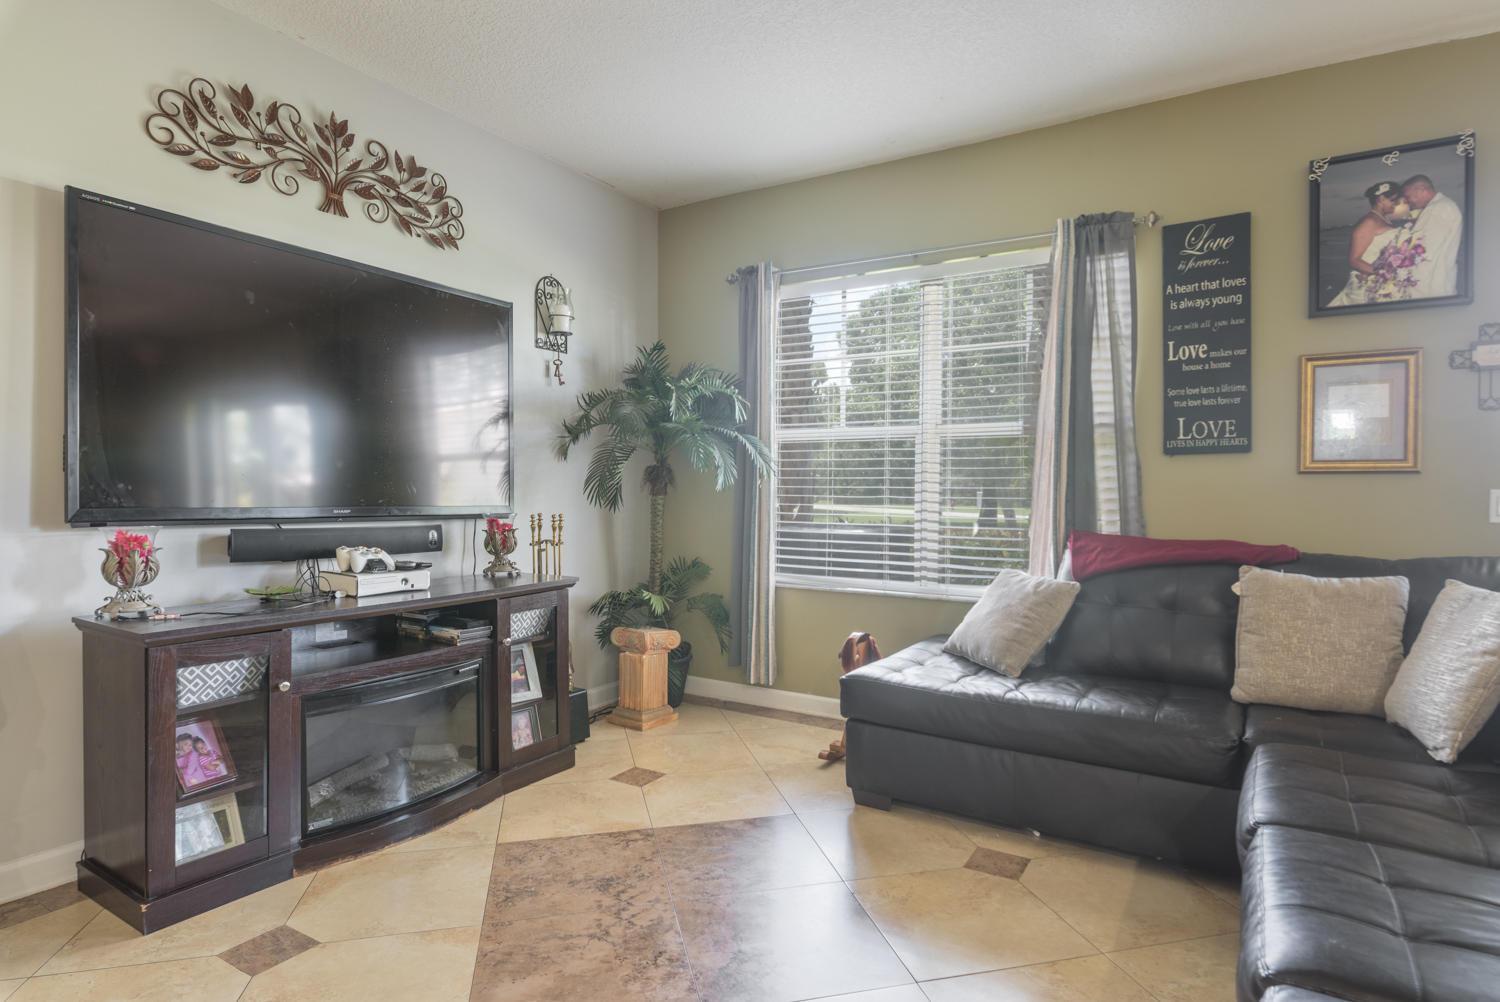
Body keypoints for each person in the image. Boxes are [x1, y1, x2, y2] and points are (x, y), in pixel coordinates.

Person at [1326, 181, 1410, 307]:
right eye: (1393, 200)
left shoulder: (1384, 219)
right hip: (1368, 282)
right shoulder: (1369, 222)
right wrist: (1384, 275)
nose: (1397, 204)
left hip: (1378, 279)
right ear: (1381, 199)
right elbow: (1354, 260)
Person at [1402, 174, 1463, 297]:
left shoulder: (1438, 208)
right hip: (1435, 283)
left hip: (1430, 286)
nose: (1407, 201)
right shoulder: (1440, 206)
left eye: (1408, 197)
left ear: (1421, 190)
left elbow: (1424, 249)